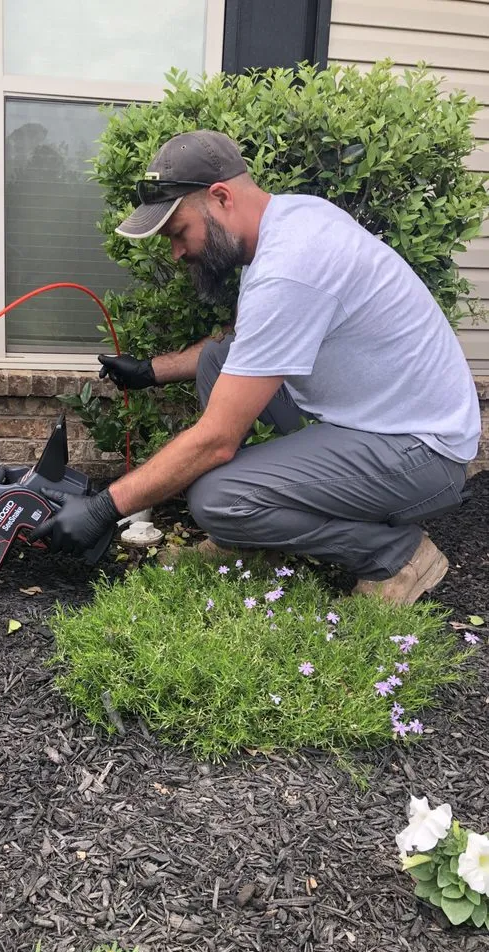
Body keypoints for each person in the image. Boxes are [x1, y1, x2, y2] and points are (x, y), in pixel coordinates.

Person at [30, 130, 481, 605]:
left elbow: (217, 441)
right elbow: (246, 344)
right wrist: (149, 370)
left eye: (179, 233)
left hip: (422, 452)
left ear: (220, 197)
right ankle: (249, 539)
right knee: (216, 360)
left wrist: (104, 508)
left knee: (217, 498)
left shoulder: (292, 265)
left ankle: (396, 556)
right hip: (376, 419)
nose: (177, 253)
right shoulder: (291, 219)